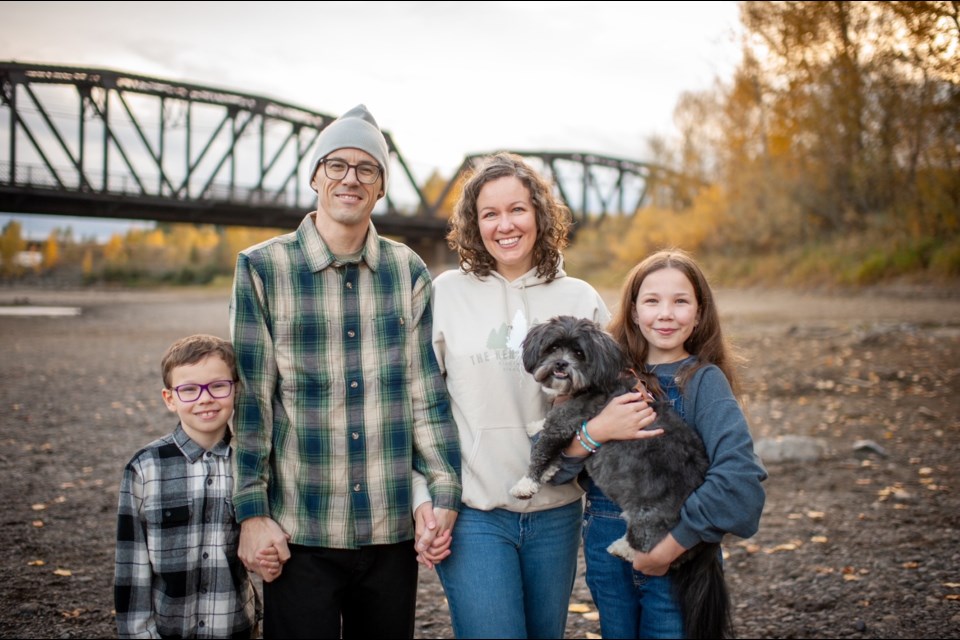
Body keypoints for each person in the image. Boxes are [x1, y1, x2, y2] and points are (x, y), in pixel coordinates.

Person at [229, 104, 462, 639]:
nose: (350, 178)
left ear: (380, 186)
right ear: (314, 175)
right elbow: (253, 403)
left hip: (389, 528)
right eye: (336, 165)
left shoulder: (407, 270)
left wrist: (444, 492)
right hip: (300, 526)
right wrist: (251, 513)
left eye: (367, 168)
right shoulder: (262, 268)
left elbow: (424, 394)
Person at [416, 152, 660, 639]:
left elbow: (613, 397)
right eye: (490, 213)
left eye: (517, 209)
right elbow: (417, 405)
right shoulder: (446, 293)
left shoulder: (580, 297)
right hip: (474, 514)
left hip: (558, 512)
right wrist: (422, 499)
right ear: (473, 222)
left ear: (539, 214)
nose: (505, 225)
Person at [559, 248, 767, 639]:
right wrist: (596, 431)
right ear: (634, 311)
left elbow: (740, 479)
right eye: (652, 301)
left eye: (680, 301)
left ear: (700, 313)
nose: (666, 313)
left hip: (678, 553)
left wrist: (670, 548)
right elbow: (556, 466)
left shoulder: (703, 382)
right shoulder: (604, 378)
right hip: (606, 548)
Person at [114, 334, 275, 638]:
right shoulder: (144, 468)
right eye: (189, 389)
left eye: (217, 386)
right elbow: (131, 565)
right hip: (167, 628)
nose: (205, 398)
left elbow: (260, 547)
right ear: (170, 398)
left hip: (235, 626)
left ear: (235, 389)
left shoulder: (251, 466)